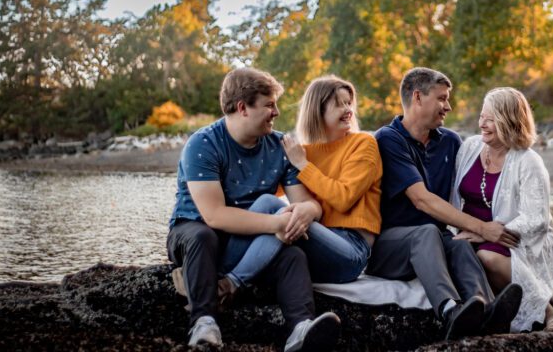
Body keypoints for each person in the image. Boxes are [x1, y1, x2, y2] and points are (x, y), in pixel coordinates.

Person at [166, 67, 340, 351]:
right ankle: (204, 323)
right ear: (242, 107)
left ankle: (300, 329)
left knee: (292, 254)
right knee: (203, 236)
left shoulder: (279, 145)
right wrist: (277, 224)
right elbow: (214, 215)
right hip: (196, 231)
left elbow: (305, 202)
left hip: (250, 238)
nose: (277, 112)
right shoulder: (204, 144)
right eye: (269, 105)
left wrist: (308, 212)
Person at [367, 67, 523, 340]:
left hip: (436, 241)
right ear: (418, 97)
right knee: (428, 232)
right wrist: (483, 228)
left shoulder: (450, 141)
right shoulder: (387, 139)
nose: (447, 106)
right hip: (389, 248)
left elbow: (478, 184)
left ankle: (485, 310)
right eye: (441, 98)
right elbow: (422, 200)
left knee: (460, 243)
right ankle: (450, 311)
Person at [450, 87, 553, 332]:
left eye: (491, 119)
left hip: (512, 237)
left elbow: (536, 219)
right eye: (481, 117)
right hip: (474, 232)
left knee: (487, 257)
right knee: (456, 249)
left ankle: (549, 313)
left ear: (509, 121)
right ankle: (486, 311)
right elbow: (453, 198)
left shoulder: (528, 162)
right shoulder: (470, 148)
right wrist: (472, 229)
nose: (482, 124)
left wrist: (488, 233)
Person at [280, 75, 383, 283]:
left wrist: (303, 165)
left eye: (348, 103)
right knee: (267, 206)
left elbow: (343, 198)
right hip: (315, 244)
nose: (348, 110)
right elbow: (267, 190)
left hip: (352, 248)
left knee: (279, 216)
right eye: (339, 104)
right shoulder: (303, 152)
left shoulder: (363, 143)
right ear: (317, 110)